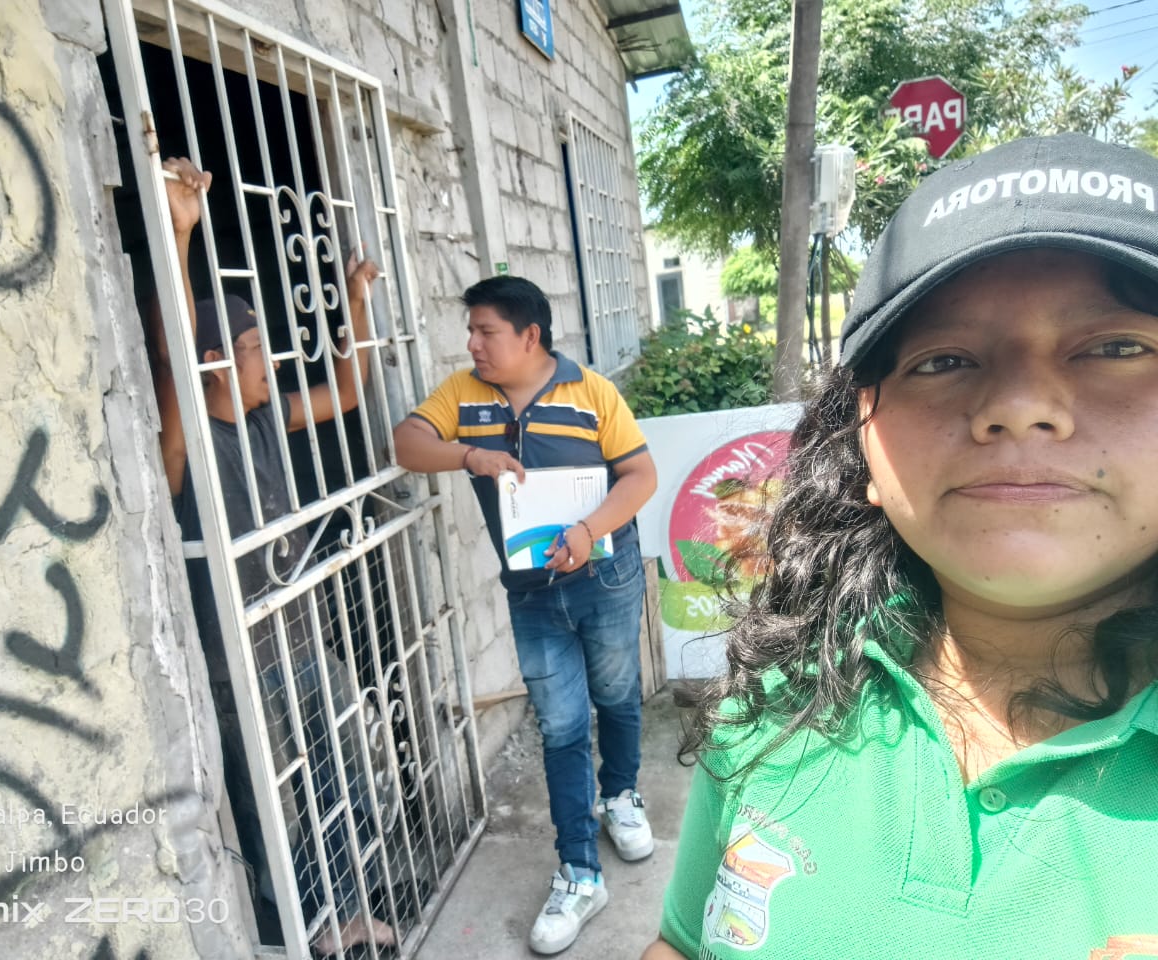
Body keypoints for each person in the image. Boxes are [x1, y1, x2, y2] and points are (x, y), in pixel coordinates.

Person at [643, 132, 1158, 960]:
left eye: (1117, 348)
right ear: (864, 445)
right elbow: (680, 942)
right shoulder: (780, 693)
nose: (1019, 405)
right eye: (943, 359)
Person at [152, 157, 394, 955]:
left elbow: (347, 394)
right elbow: (173, 357)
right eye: (255, 346)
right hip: (239, 657)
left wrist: (355, 302)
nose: (272, 359)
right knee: (269, 797)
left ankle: (348, 904)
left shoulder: (266, 417)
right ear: (217, 363)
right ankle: (305, 926)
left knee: (338, 767)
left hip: (298, 632)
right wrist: (180, 235)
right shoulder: (186, 444)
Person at [392, 275, 658, 954]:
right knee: (560, 725)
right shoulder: (463, 395)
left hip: (604, 573)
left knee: (616, 693)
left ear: (529, 335)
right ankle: (580, 873)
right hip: (532, 591)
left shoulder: (590, 392)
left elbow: (641, 476)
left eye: (486, 331)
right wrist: (470, 454)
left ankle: (621, 795)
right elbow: (408, 444)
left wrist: (588, 530)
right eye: (471, 331)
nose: (473, 344)